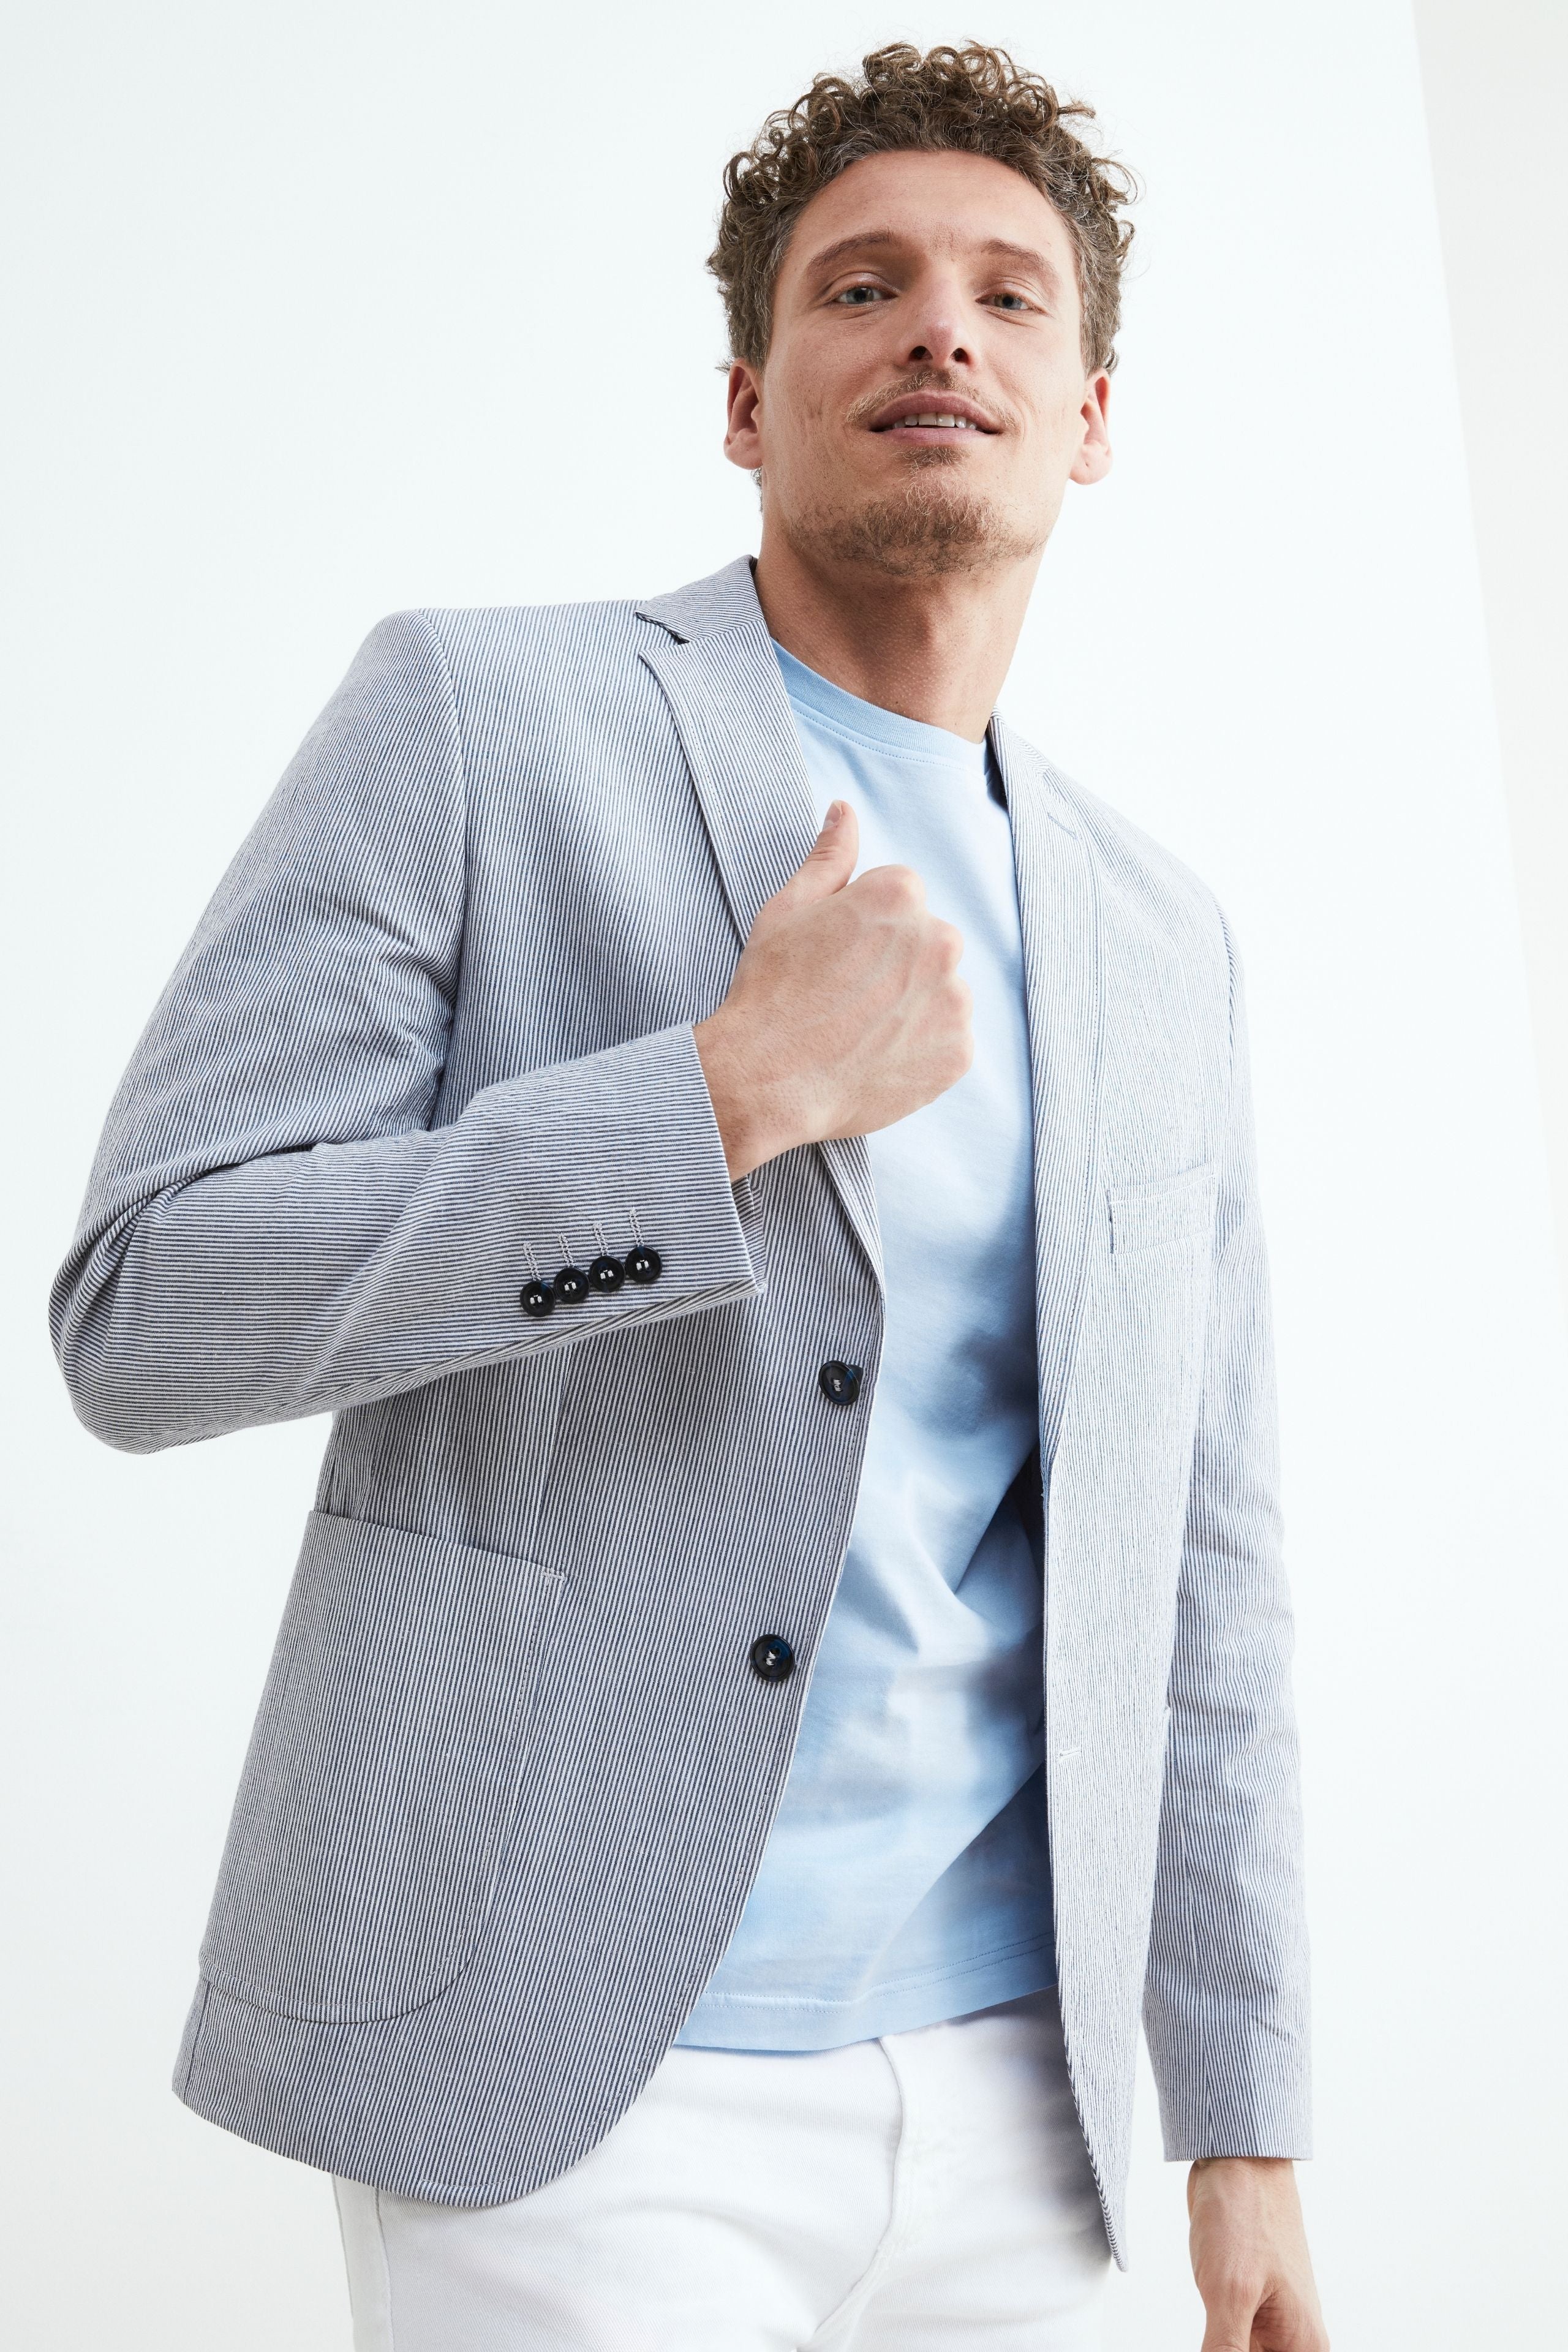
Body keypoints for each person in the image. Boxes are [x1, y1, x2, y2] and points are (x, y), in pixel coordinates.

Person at [50, 40, 1328, 2352]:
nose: (940, 330)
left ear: (1091, 416)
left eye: (1009, 295)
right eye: (862, 284)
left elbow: (1197, 1564)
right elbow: (148, 1308)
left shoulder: (1163, 934)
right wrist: (717, 1099)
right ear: (746, 401)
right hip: (566, 2069)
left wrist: (1243, 2130)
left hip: (1026, 2104)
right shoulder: (479, 720)